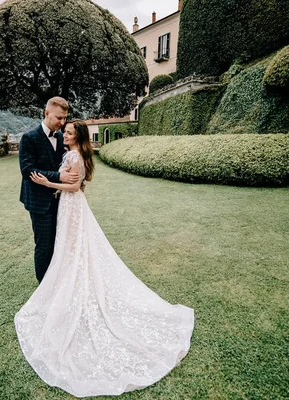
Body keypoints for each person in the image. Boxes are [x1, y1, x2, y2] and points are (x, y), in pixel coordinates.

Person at [15, 120, 195, 398]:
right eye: (66, 131)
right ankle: (67, 282)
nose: (65, 134)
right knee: (69, 248)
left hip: (71, 205)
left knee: (74, 248)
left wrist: (47, 182)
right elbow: (74, 182)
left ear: (77, 137)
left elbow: (74, 187)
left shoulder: (74, 155)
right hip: (68, 208)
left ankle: (75, 284)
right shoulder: (72, 153)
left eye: (70, 132)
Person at [19, 97, 80, 283]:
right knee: (44, 246)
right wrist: (59, 177)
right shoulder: (29, 137)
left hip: (61, 201)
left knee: (59, 243)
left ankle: (57, 283)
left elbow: (68, 163)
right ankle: (43, 288)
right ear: (46, 113)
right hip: (39, 203)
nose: (62, 123)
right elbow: (27, 170)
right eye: (59, 118)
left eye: (65, 118)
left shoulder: (62, 137)